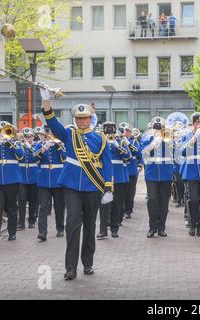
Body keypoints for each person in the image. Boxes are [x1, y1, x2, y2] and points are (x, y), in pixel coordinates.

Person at [40, 85, 113, 280]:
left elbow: (107, 165)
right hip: (72, 186)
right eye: (79, 118)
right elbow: (52, 122)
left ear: (91, 119)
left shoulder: (101, 139)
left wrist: (108, 188)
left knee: (90, 226)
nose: (81, 121)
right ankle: (70, 268)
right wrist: (46, 99)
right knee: (72, 225)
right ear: (75, 119)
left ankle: (87, 263)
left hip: (93, 187)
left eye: (85, 118)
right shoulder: (69, 135)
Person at [141, 117, 174, 238]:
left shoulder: (169, 139)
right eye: (156, 127)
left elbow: (176, 152)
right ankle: (152, 227)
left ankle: (161, 228)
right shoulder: (147, 139)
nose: (158, 130)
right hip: (152, 173)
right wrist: (153, 143)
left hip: (165, 174)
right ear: (152, 128)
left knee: (164, 201)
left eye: (160, 128)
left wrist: (168, 141)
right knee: (152, 199)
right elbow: (142, 153)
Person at [98, 122, 131, 239]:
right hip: (105, 175)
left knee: (117, 203)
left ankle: (114, 228)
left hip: (118, 176)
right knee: (104, 203)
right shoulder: (100, 140)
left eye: (111, 130)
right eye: (108, 130)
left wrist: (117, 145)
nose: (110, 132)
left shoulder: (121, 141)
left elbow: (128, 157)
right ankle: (103, 230)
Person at [17, 128, 39, 230]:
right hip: (21, 176)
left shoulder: (36, 145)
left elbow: (37, 156)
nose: (27, 138)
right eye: (26, 137)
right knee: (21, 200)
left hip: (33, 176)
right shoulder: (19, 145)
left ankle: (32, 220)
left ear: (33, 137)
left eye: (29, 136)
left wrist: (29, 146)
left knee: (33, 201)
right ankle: (21, 222)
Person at [120, 122, 141, 220]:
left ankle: (128, 210)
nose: (125, 132)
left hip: (131, 169)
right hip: (122, 168)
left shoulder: (133, 141)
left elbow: (137, 152)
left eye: (127, 131)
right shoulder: (117, 140)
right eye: (123, 131)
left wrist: (140, 165)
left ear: (129, 132)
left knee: (130, 191)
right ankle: (121, 210)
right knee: (122, 192)